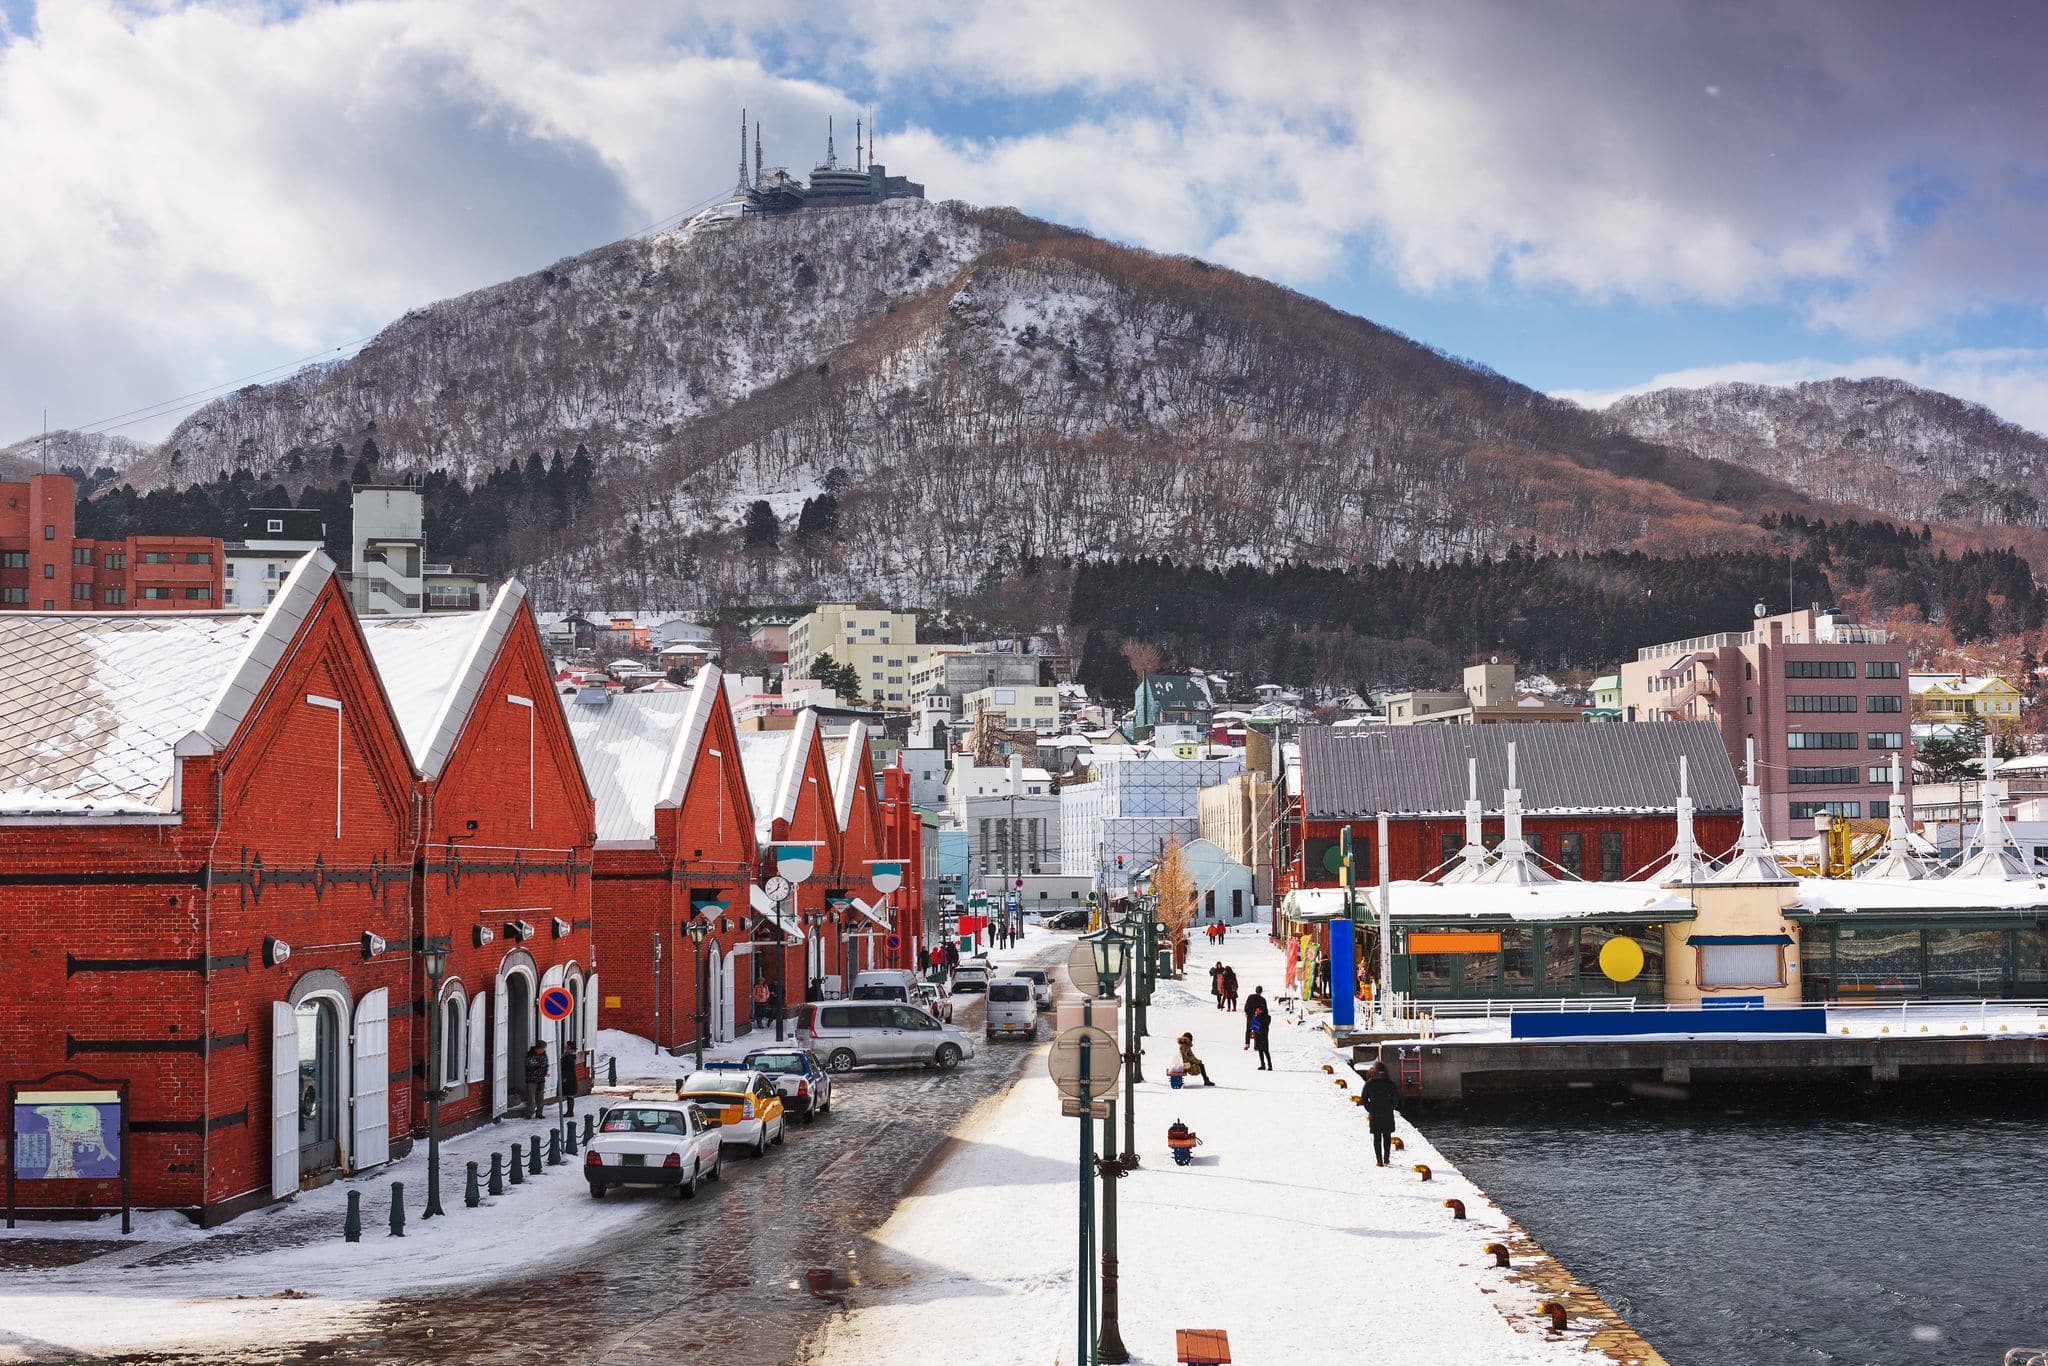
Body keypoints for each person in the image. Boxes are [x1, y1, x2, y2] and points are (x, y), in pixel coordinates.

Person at [1362, 1060, 1401, 1166]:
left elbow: (1364, 1099)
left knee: (1377, 1137)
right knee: (1387, 1136)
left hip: (1375, 1112)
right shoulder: (1390, 1083)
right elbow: (1396, 1099)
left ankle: (1379, 1160)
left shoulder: (1369, 1083)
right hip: (1387, 1112)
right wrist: (1391, 1106)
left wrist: (1370, 1108)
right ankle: (1386, 1158)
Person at [523, 1041, 549, 1118]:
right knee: (531, 1096)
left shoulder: (544, 1055)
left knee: (540, 1096)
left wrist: (544, 1072)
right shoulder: (530, 1055)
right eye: (543, 1048)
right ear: (539, 1048)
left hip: (541, 1079)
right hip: (532, 1079)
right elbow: (530, 1066)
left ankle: (539, 1112)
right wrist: (540, 1069)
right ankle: (530, 1112)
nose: (544, 1050)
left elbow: (545, 1065)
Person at [559, 1046, 578, 1118]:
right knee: (569, 1095)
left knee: (569, 1095)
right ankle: (570, 1111)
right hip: (570, 1078)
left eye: (566, 1046)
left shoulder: (568, 1057)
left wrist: (564, 1077)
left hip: (569, 1079)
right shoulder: (570, 1056)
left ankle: (570, 1112)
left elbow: (568, 1068)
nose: (564, 1047)